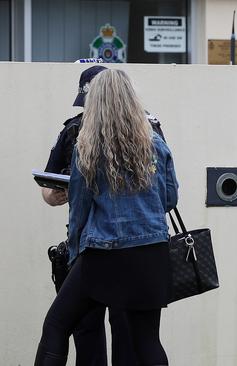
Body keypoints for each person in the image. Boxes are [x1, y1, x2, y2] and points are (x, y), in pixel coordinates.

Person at [35, 69, 178, 365]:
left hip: (104, 254)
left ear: (95, 102)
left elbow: (80, 210)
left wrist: (76, 254)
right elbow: (170, 199)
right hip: (152, 253)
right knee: (146, 340)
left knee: (57, 325)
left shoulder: (87, 147)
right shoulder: (155, 142)